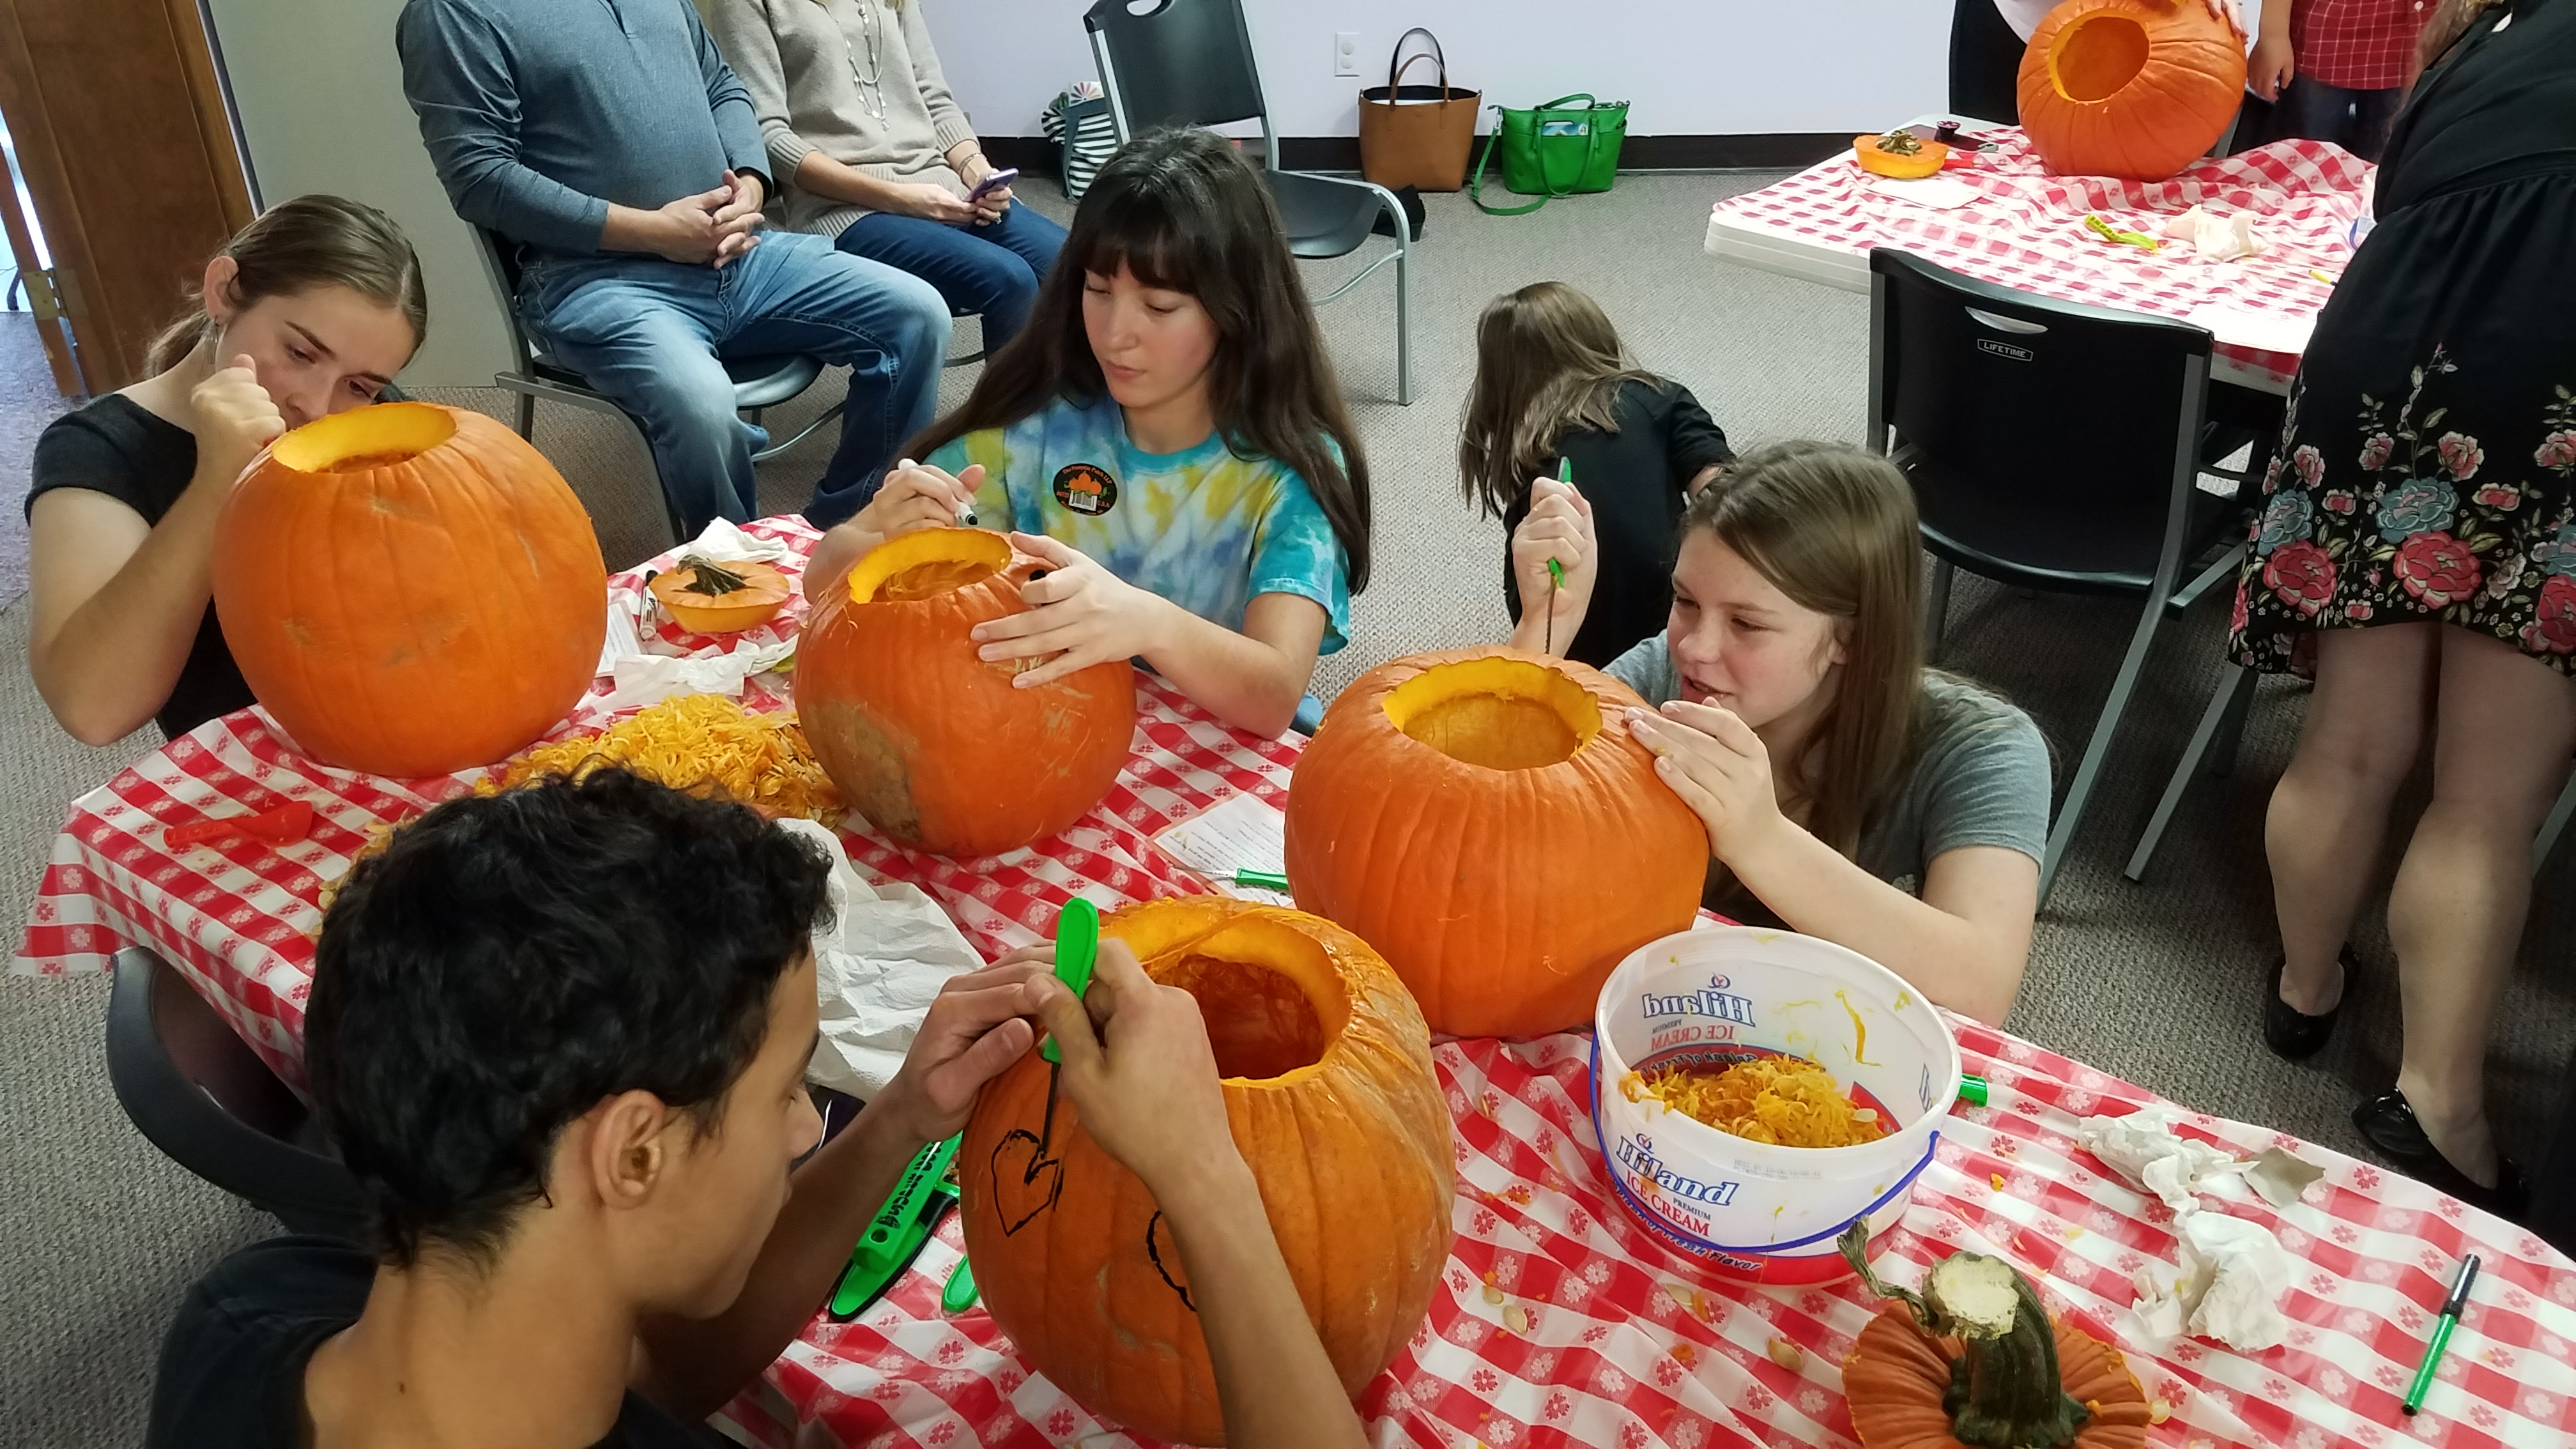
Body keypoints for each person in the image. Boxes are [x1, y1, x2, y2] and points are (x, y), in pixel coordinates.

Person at [144, 769, 1367, 1449]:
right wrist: (1202, 1173)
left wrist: (899, 1117)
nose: (800, 1126)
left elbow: (643, 1380)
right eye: (789, 1088)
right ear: (634, 1150)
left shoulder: (258, 1309)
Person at [2227, 0, 2574, 1216]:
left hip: (2376, 347)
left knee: (2347, 740)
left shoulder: (2482, 34)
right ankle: (2439, 1102)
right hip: (2556, 378)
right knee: (2484, 797)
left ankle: (2305, 988)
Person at [804, 128, 1370, 740]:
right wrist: (882, 537)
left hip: (1217, 747)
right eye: (1098, 290)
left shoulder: (1291, 470)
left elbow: (1275, 696)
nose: (1115, 334)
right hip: (1048, 733)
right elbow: (818, 580)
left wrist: (1147, 622)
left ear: (1239, 309)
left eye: (1159, 306)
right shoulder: (1034, 429)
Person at [1516, 441, 2051, 1026]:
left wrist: (1760, 839)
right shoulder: (1663, 674)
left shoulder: (1984, 746)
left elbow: (1981, 987)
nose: (1695, 647)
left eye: (1747, 623)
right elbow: (1497, 826)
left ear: (1851, 638)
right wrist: (1544, 627)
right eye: (1685, 601)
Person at [396, 0, 953, 537]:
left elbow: (723, 87)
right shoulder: (453, 12)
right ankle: (735, 569)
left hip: (741, 254)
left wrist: (752, 184)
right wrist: (654, 232)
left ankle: (846, 529)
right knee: (700, 405)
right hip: (596, 281)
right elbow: (480, 178)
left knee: (918, 314)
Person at [26, 196, 425, 747]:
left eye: (358, 385)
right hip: (248, 765)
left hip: (398, 730)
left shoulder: (372, 419)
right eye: (300, 353)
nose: (314, 405)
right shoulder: (98, 449)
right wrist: (217, 483)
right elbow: (93, 709)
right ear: (224, 291)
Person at [707, 0, 1068, 351]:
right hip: (845, 209)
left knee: (1071, 259)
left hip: (940, 189)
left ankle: (1062, 395)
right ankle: (1010, 397)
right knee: (1009, 279)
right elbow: (769, 136)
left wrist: (979, 172)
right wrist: (899, 198)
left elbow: (935, 100)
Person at [1462, 281, 1733, 669]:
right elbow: (1721, 486)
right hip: (1677, 626)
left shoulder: (1530, 457)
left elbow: (1530, 610)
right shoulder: (1659, 396)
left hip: (1576, 657)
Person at [2238, 0, 2431, 161]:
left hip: (2422, 40)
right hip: (2327, 37)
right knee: (2302, 158)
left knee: (2392, 165)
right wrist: (2273, 34)